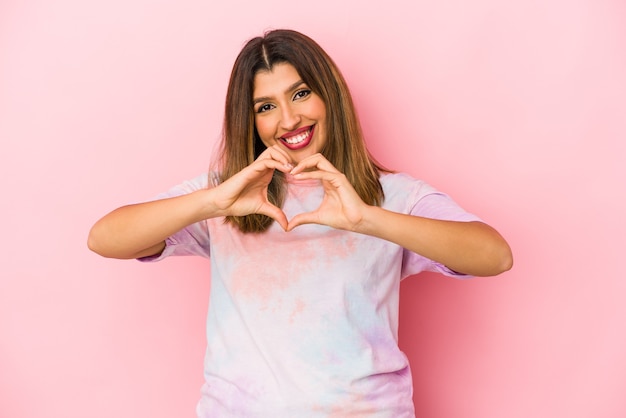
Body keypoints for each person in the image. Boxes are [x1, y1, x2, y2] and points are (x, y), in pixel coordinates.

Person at [88, 29, 512, 417]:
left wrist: (367, 219)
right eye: (266, 106)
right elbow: (105, 238)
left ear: (330, 95)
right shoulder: (227, 195)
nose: (289, 120)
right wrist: (214, 201)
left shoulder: (393, 196)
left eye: (301, 93)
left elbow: (493, 255)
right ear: (250, 122)